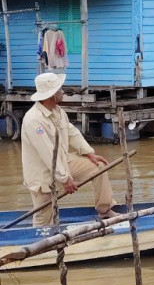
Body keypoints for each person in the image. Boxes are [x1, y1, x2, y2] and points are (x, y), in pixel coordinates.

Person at [21, 73, 117, 226]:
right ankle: (40, 237)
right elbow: (48, 154)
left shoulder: (57, 111)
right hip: (43, 173)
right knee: (44, 218)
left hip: (63, 161)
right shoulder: (34, 120)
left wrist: (89, 153)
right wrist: (65, 179)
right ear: (52, 95)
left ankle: (104, 210)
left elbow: (72, 133)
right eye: (59, 90)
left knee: (98, 167)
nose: (63, 92)